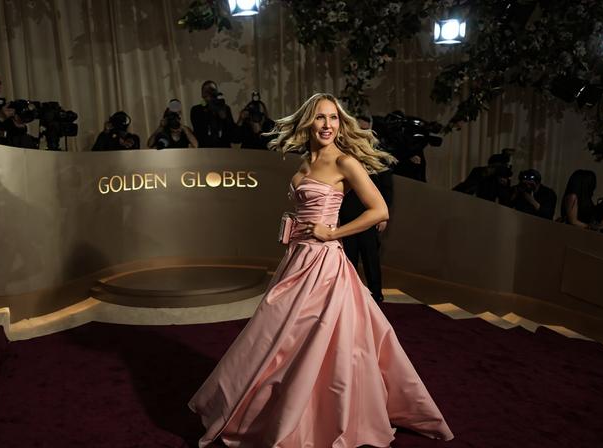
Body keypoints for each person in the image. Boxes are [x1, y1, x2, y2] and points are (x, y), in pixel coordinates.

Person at [189, 93, 454, 447]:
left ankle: (318, 415)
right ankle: (272, 406)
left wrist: (334, 232)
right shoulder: (303, 163)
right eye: (320, 118)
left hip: (325, 264)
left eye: (333, 118)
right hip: (296, 260)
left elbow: (379, 211)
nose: (327, 125)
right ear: (308, 123)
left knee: (316, 339)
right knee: (277, 337)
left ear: (340, 123)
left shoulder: (345, 162)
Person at [340, 113, 396, 303]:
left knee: (371, 256)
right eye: (358, 130)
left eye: (365, 130)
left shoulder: (379, 157)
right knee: (349, 258)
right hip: (347, 215)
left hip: (370, 216)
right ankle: (349, 295)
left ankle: (376, 294)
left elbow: (387, 190)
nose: (362, 134)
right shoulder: (344, 156)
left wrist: (383, 216)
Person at [190, 80, 236, 148]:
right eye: (206, 91)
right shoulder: (196, 110)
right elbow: (199, 131)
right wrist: (210, 109)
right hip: (205, 150)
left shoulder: (225, 108)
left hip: (224, 149)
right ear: (202, 94)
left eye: (212, 90)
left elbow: (231, 132)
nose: (209, 93)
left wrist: (223, 115)